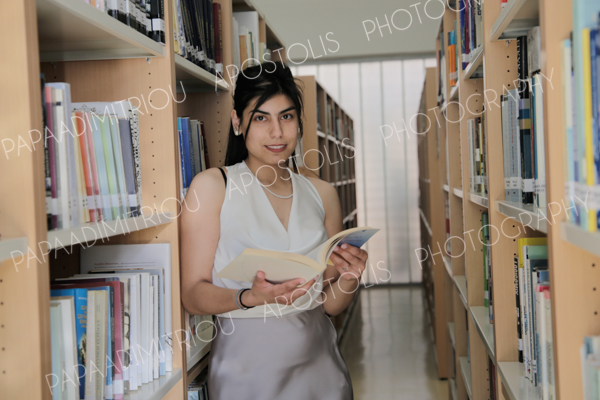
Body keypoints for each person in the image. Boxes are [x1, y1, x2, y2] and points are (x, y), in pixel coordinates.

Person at [180, 63, 368, 400]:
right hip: (246, 372)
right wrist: (248, 298)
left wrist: (350, 277)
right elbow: (192, 295)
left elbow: (328, 305)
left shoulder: (322, 192)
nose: (277, 132)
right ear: (238, 122)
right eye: (261, 118)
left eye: (287, 116)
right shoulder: (212, 187)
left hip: (322, 368)